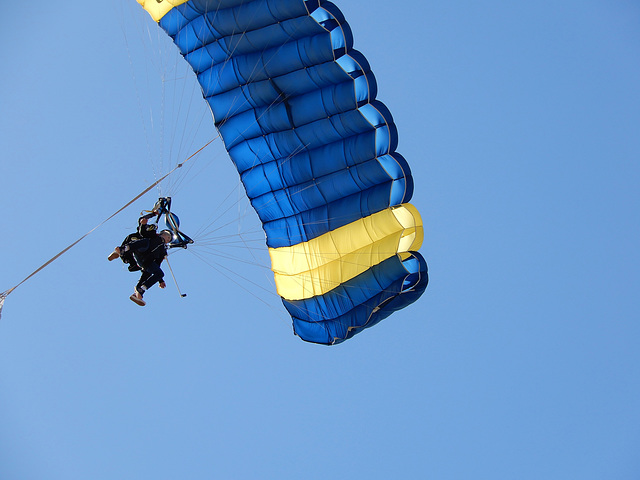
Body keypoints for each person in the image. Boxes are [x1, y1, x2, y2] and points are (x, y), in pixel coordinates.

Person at [107, 215, 173, 306]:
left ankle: (140, 290)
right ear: (162, 233)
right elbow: (143, 233)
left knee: (160, 273)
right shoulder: (154, 236)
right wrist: (143, 224)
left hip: (146, 262)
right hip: (142, 252)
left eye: (169, 239)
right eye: (168, 236)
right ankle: (122, 250)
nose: (168, 239)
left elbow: (157, 264)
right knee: (145, 241)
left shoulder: (163, 251)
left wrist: (160, 280)